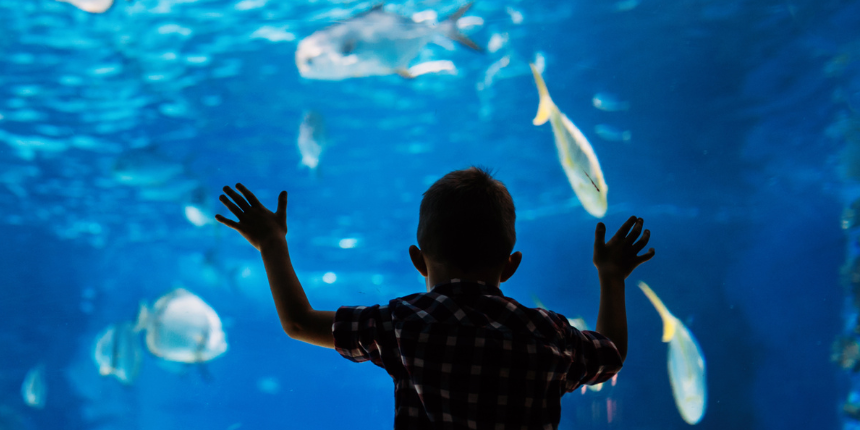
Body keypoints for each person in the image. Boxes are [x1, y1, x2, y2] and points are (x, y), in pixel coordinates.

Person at [215, 167, 654, 429]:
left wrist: (272, 242)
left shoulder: (404, 324)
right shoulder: (548, 334)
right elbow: (611, 354)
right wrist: (611, 275)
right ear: (511, 265)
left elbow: (298, 321)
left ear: (418, 260)